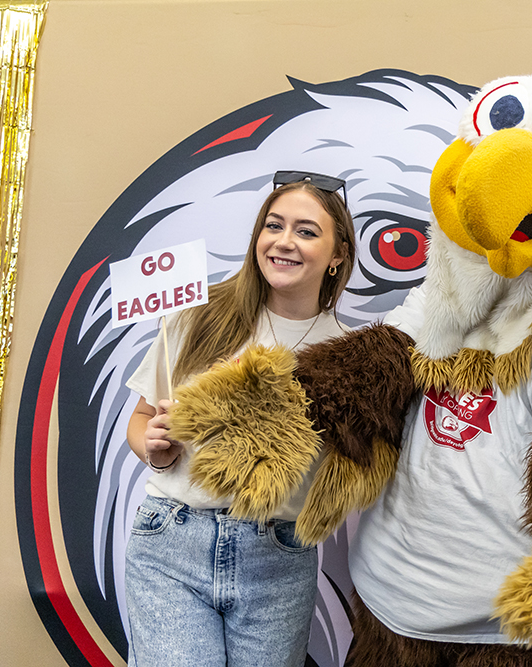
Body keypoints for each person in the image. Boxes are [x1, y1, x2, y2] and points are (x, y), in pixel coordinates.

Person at [124, 171, 356, 667]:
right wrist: (154, 447)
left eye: (307, 231)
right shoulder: (198, 316)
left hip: (278, 555)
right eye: (273, 225)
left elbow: (353, 469)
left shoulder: (348, 356)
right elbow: (141, 419)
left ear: (337, 255)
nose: (284, 242)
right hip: (172, 542)